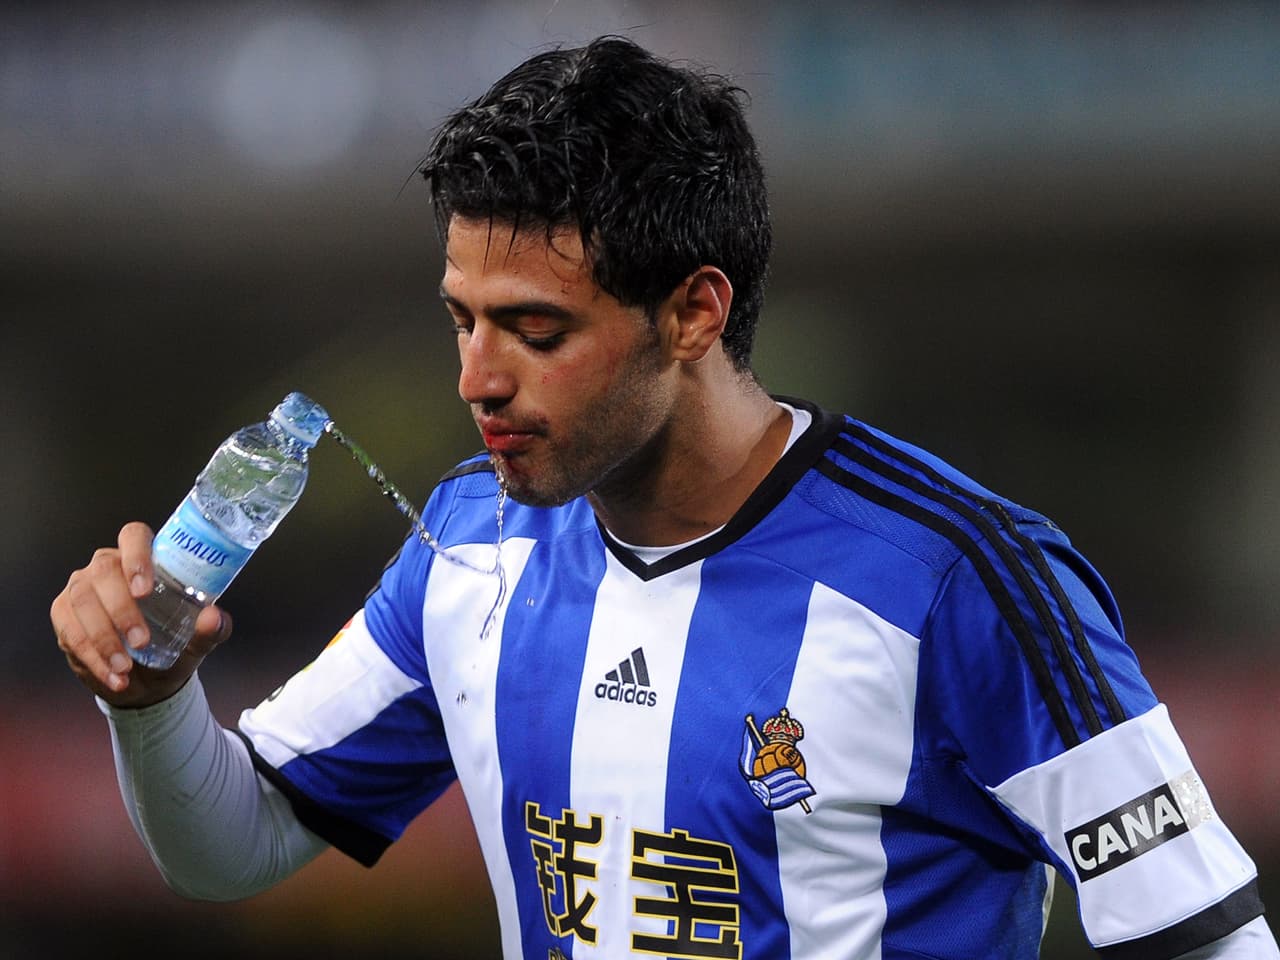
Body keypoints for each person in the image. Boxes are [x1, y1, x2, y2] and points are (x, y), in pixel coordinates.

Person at [51, 36, 1276, 960]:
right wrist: (152, 703)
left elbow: (1209, 935)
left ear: (694, 311)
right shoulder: (470, 544)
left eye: (535, 329)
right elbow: (237, 844)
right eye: (461, 319)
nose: (476, 377)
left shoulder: (957, 579)